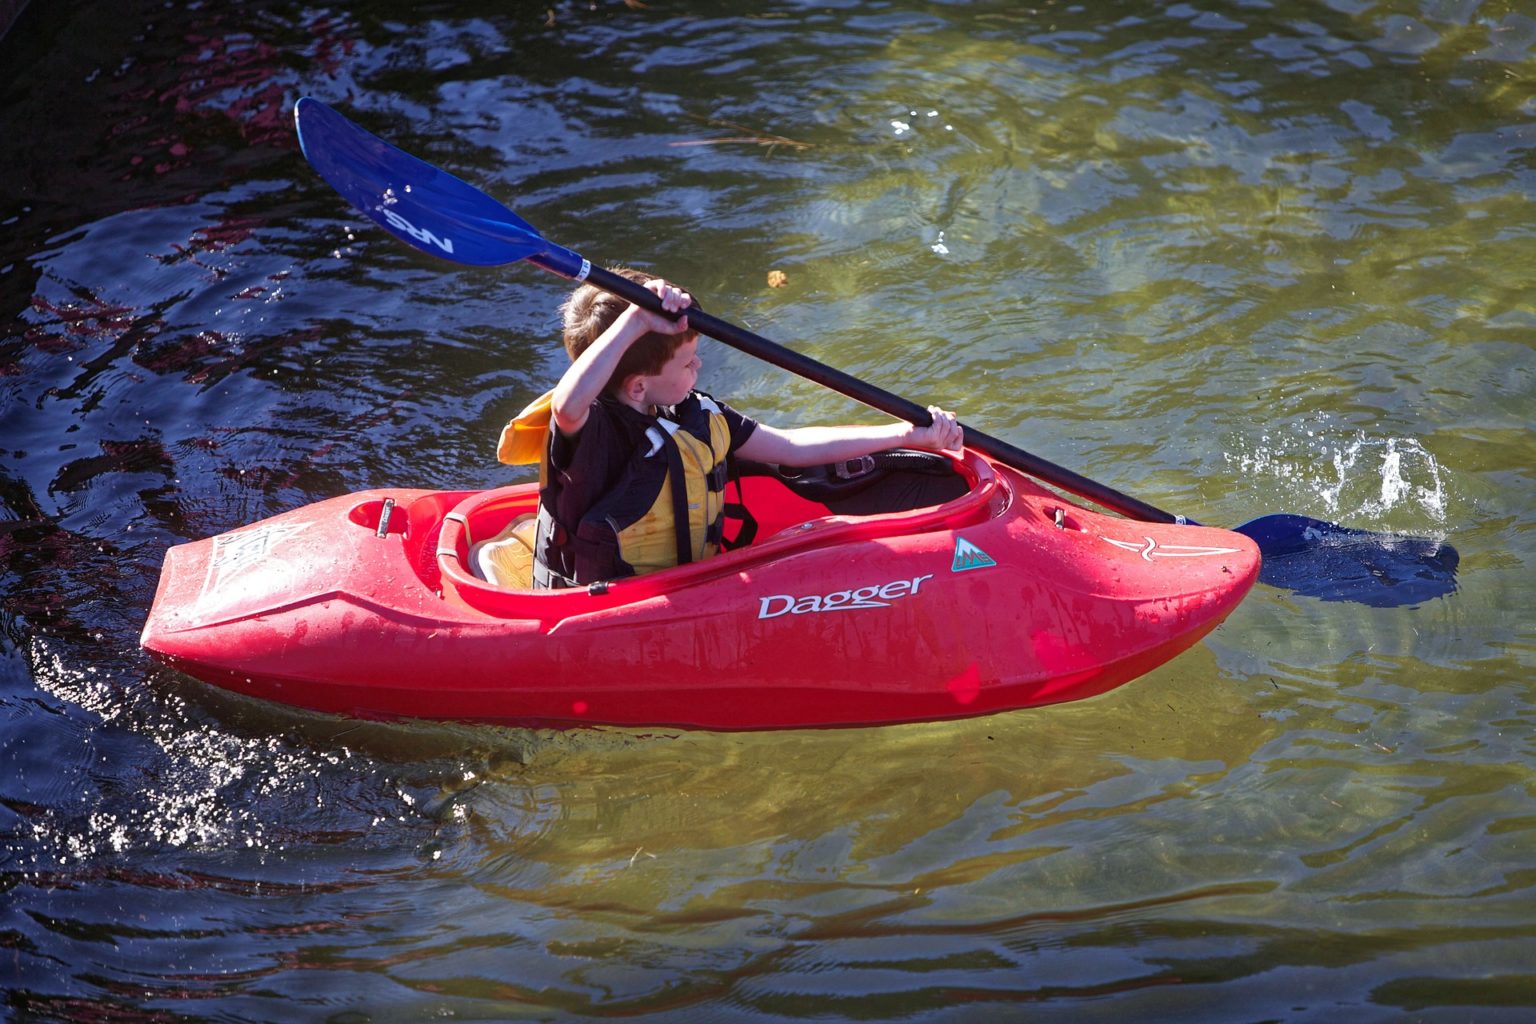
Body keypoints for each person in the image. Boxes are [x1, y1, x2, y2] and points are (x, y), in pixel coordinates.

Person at [499, 269, 964, 590]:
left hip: (682, 587)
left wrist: (906, 435)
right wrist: (636, 320)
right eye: (686, 361)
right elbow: (567, 404)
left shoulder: (690, 413)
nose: (699, 365)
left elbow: (790, 446)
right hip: (601, 604)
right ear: (639, 385)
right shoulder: (592, 431)